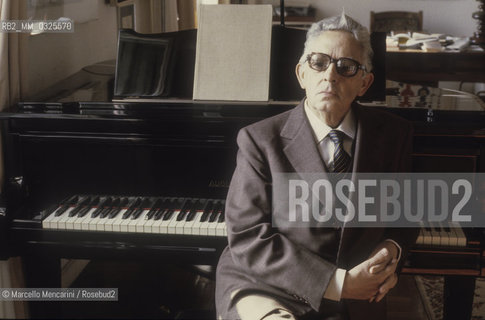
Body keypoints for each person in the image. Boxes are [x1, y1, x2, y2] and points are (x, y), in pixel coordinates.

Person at [215, 13, 418, 320]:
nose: (331, 75)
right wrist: (339, 283)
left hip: (362, 293)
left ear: (365, 83)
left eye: (346, 67)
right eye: (319, 63)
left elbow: (406, 214)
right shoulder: (259, 140)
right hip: (271, 285)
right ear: (301, 74)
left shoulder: (395, 135)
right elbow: (247, 235)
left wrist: (392, 250)